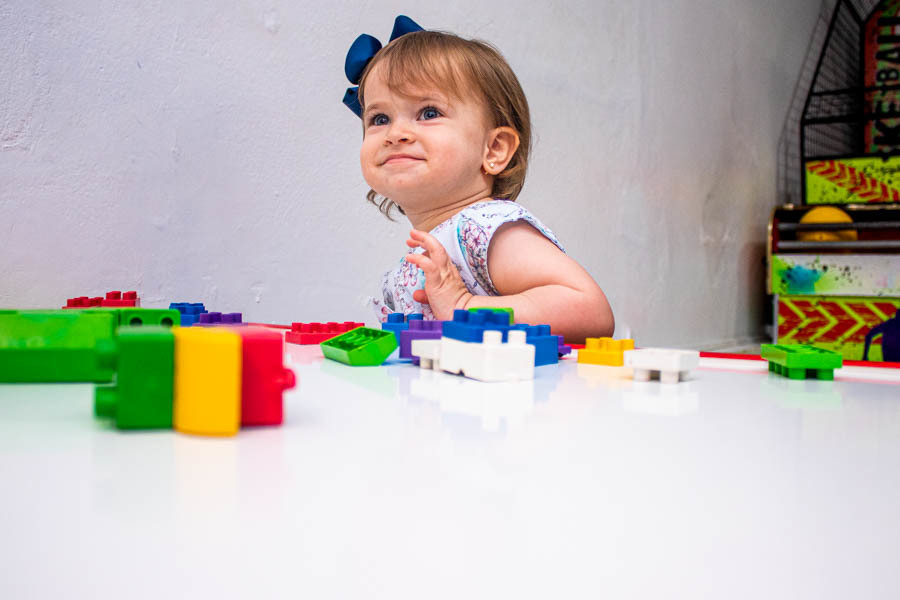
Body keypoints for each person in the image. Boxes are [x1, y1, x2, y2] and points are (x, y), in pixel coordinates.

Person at [343, 17, 614, 343]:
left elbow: (590, 310)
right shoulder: (437, 246)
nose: (395, 133)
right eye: (379, 118)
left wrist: (464, 305)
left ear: (494, 149)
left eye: (428, 113)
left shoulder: (480, 229)